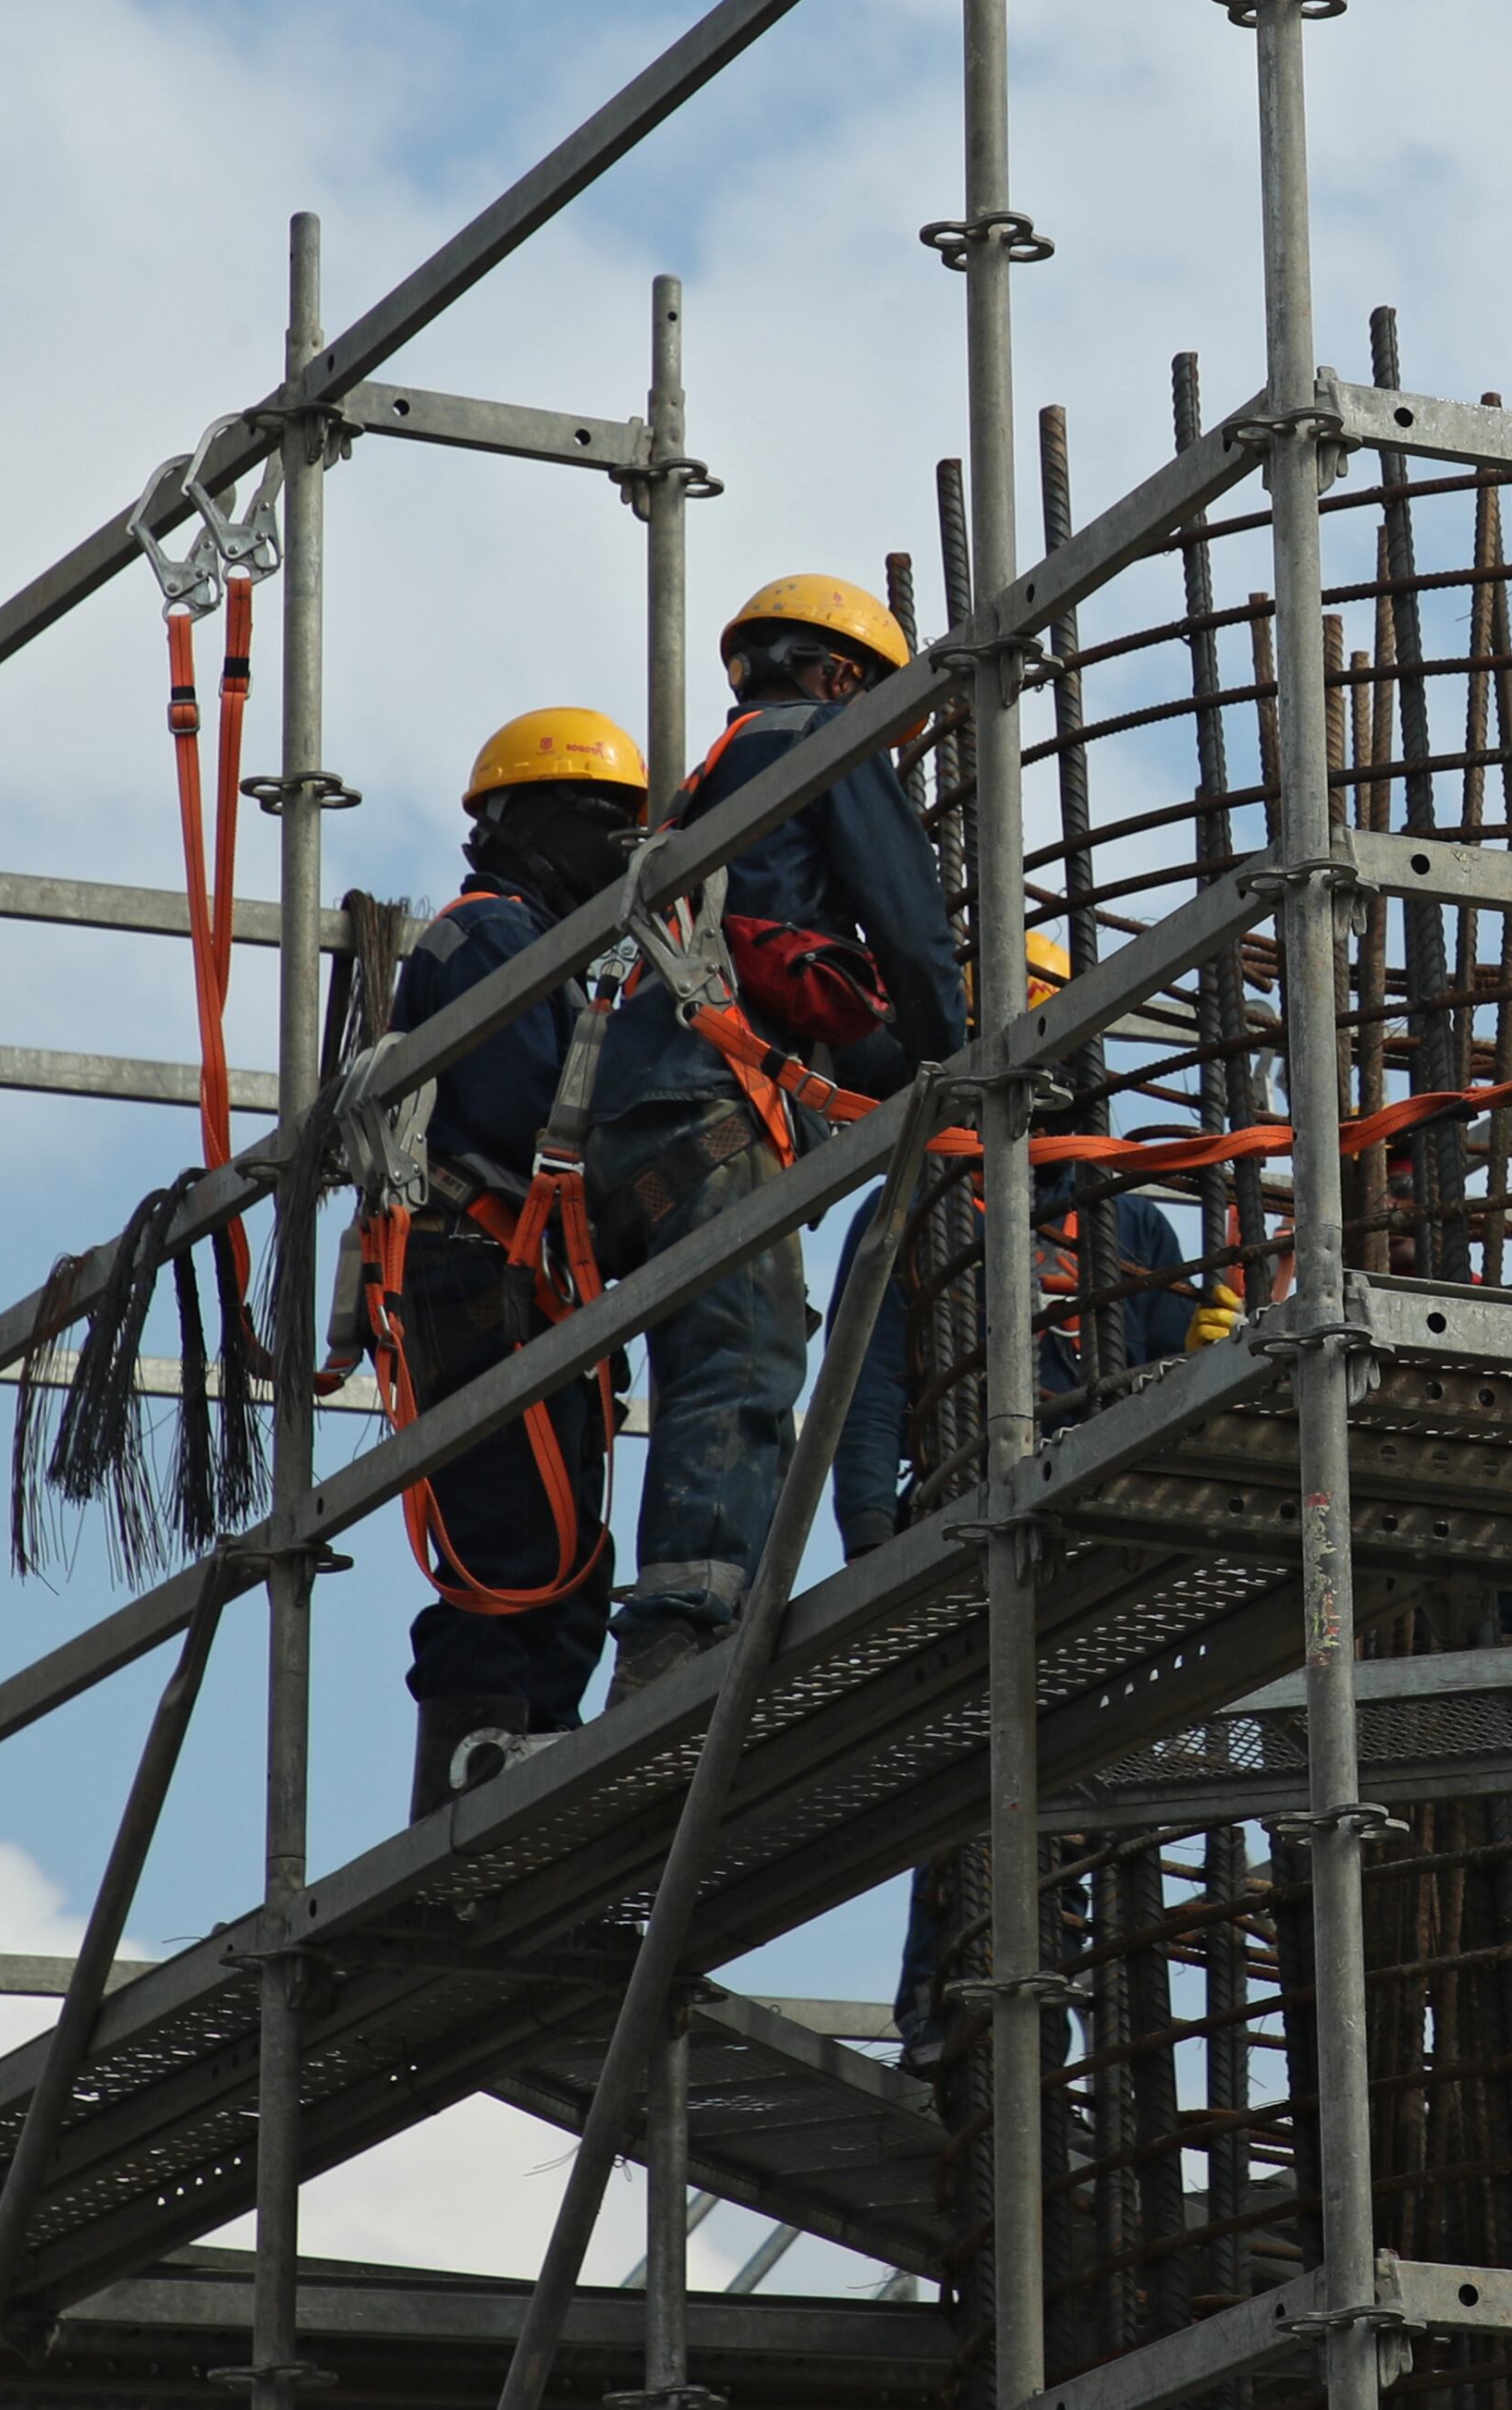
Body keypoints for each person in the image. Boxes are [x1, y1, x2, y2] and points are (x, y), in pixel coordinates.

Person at [854, 931, 1234, 2069]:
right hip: (968, 1522)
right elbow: (870, 1391)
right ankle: (950, 2010)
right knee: (975, 1779)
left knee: (1079, 1782)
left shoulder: (1131, 1223)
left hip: (1098, 1533)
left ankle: (1057, 2031)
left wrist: (1214, 1347)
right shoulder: (926, 1205)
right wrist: (872, 1539)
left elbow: (1175, 1368)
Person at [591, 572, 966, 1697]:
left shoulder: (702, 792)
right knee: (744, 1353)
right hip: (712, 1106)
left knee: (700, 1352)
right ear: (842, 674)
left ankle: (674, 1616)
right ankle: (682, 1632)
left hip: (625, 1122)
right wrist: (962, 1055)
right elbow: (905, 925)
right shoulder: (824, 738)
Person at [368, 707, 649, 1815]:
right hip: (478, 1270)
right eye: (603, 826)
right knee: (511, 1547)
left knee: (570, 1555)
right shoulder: (487, 938)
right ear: (525, 821)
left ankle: (535, 1773)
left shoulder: (544, 946)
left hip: (524, 1282)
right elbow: (531, 1113)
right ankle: (471, 1799)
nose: (617, 854)